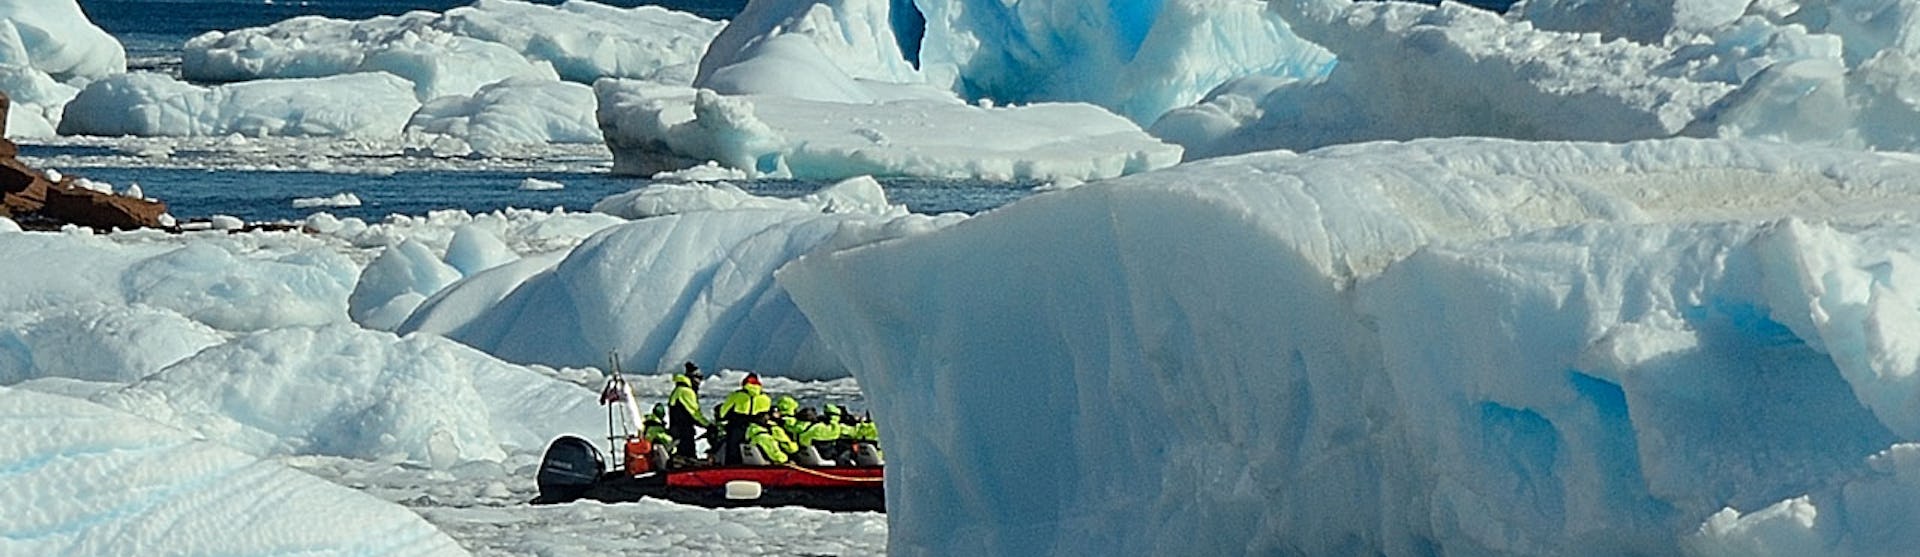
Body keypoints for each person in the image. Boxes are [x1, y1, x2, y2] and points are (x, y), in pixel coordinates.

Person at [716, 373, 772, 465]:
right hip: (757, 428)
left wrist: (722, 417)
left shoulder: (736, 395)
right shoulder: (766, 398)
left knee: (733, 445)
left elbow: (723, 411)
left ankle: (732, 465)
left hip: (738, 425)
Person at [666, 362, 711, 465]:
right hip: (683, 430)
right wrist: (708, 425)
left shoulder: (679, 389)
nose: (700, 381)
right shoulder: (686, 392)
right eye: (698, 378)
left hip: (677, 428)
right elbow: (694, 413)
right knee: (688, 455)